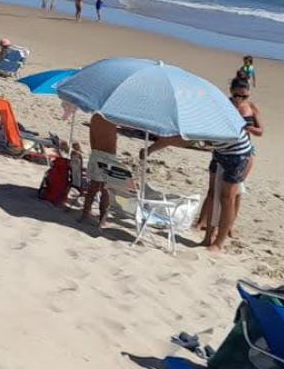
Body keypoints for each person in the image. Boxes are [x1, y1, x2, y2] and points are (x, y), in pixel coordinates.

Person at [146, 78, 262, 253]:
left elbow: (183, 139)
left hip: (238, 155)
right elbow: (179, 138)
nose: (239, 99)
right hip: (220, 153)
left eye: (243, 96)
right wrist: (151, 149)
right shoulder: (208, 117)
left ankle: (219, 242)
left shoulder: (225, 116)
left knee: (227, 198)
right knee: (214, 194)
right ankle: (208, 237)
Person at [77, 113, 123, 228]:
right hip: (108, 157)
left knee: (93, 188)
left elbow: (91, 138)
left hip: (96, 153)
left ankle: (85, 214)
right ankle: (102, 219)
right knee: (106, 190)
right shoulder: (113, 118)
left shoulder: (95, 117)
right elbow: (112, 140)